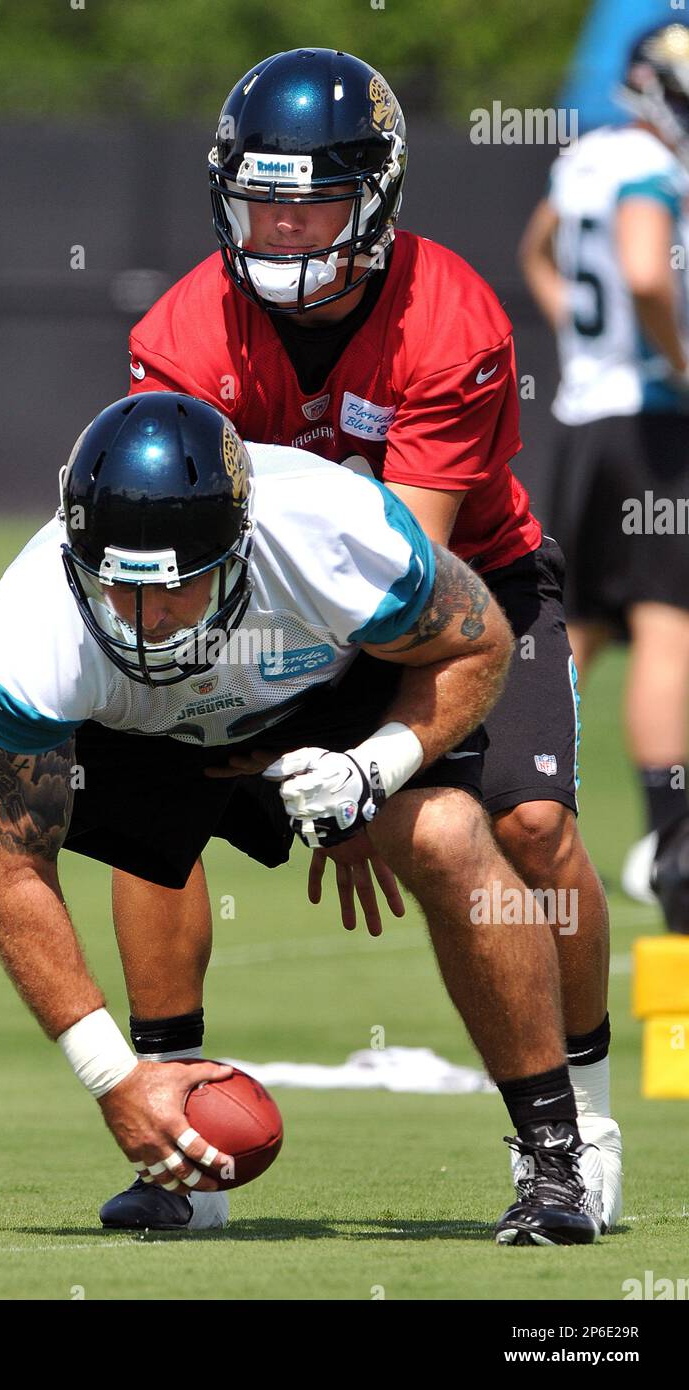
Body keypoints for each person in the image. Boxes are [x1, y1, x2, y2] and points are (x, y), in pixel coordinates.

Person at [0, 391, 602, 1245]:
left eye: (176, 589)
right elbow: (13, 866)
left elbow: (477, 642)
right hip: (135, 723)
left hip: (320, 688)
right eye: (117, 586)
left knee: (445, 834)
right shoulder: (34, 626)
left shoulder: (336, 535)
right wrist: (114, 1080)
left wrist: (378, 768)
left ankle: (556, 1157)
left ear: (238, 550)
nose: (145, 622)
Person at [116, 48, 620, 1233]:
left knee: (531, 827)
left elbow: (407, 574)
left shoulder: (450, 320)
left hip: (462, 588)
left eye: (316, 204)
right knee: (151, 805)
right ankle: (178, 1138)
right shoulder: (182, 333)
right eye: (264, 202)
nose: (286, 232)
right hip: (250, 607)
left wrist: (365, 761)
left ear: (379, 198)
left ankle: (578, 1121)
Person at [519, 21, 689, 936]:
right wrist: (679, 361)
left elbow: (537, 252)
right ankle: (675, 847)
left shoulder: (585, 157)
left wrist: (584, 346)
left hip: (585, 422)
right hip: (647, 424)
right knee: (669, 624)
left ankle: (517, 801)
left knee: (577, 628)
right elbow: (643, 271)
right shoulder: (648, 168)